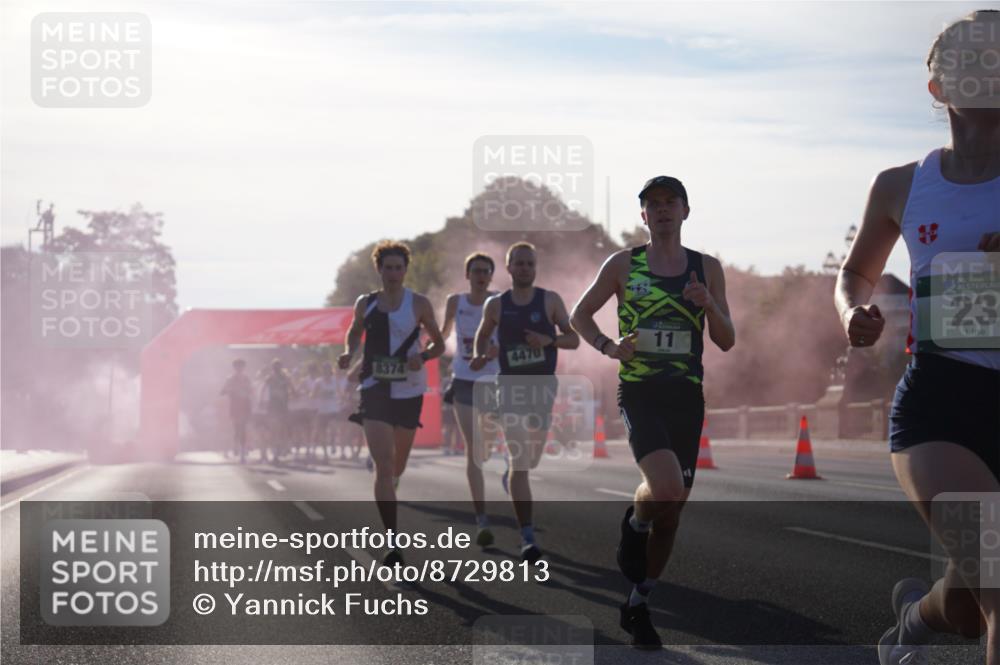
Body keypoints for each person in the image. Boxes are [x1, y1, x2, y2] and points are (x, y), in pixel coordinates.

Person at [834, 11, 1000, 665]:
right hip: (941, 403)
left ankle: (915, 618)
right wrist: (853, 310)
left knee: (968, 606)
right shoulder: (901, 185)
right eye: (975, 56)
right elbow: (854, 273)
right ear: (939, 86)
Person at [570, 175, 735, 649]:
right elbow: (579, 315)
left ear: (685, 211)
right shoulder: (624, 264)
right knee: (665, 488)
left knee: (672, 514)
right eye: (653, 204)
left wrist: (709, 305)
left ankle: (639, 602)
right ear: (643, 215)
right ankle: (635, 524)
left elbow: (726, 340)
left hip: (686, 396)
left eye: (670, 202)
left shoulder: (706, 268)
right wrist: (608, 346)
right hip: (641, 392)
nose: (662, 209)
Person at [471, 242, 579, 563]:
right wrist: (480, 354)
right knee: (521, 462)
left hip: (542, 388)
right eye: (518, 263)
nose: (524, 268)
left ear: (535, 267)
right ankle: (527, 537)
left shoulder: (550, 300)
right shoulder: (496, 305)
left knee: (531, 459)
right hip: (510, 388)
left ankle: (512, 474)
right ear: (508, 267)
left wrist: (549, 340)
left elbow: (573, 338)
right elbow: (482, 335)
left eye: (530, 263)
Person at [339, 240, 446, 567]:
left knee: (397, 465)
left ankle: (393, 480)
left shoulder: (419, 303)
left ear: (405, 270)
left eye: (399, 268)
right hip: (375, 387)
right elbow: (354, 332)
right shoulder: (366, 303)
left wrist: (422, 357)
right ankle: (392, 541)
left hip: (409, 390)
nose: (394, 273)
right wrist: (349, 353)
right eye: (388, 268)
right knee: (384, 465)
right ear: (379, 269)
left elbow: (439, 344)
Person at [440, 252, 501, 547]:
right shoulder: (456, 302)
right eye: (476, 271)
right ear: (467, 275)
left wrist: (498, 348)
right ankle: (481, 519)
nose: (481, 276)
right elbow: (443, 334)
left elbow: (511, 335)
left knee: (485, 448)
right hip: (463, 380)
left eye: (485, 271)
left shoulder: (499, 301)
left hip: (493, 381)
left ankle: (503, 468)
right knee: (473, 450)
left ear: (491, 276)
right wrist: (425, 344)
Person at [260, 359, 296, 463]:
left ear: (280, 367)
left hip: (283, 406)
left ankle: (281, 448)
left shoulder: (285, 378)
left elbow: (292, 388)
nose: (277, 369)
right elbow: (263, 388)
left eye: (278, 367)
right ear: (273, 368)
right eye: (275, 367)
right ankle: (275, 451)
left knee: (283, 428)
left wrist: (294, 394)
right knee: (274, 429)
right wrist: (261, 400)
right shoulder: (270, 378)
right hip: (273, 406)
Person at [219, 359, 253, 464]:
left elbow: (251, 390)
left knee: (243, 428)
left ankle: (242, 453)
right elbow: (222, 391)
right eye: (237, 366)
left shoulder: (246, 378)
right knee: (236, 428)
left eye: (241, 366)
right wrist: (230, 390)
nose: (239, 368)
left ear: (243, 367)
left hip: (245, 406)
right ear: (234, 368)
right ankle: (235, 446)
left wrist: (246, 391)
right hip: (235, 406)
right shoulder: (230, 379)